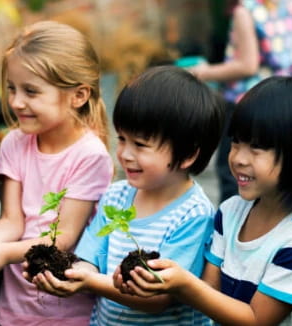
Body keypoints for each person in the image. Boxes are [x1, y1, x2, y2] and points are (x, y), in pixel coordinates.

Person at [119, 76, 292, 326]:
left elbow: (255, 320)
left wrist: (184, 284)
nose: (238, 158)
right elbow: (210, 293)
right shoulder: (231, 212)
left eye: (256, 147)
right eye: (235, 142)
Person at [28, 65, 224, 325]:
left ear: (188, 154)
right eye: (121, 139)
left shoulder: (194, 215)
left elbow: (156, 298)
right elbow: (90, 259)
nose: (125, 154)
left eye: (140, 145)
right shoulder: (116, 196)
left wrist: (91, 283)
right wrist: (71, 275)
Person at [0, 21, 114, 326]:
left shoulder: (90, 156)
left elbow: (62, 240)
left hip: (66, 309)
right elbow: (13, 220)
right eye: (12, 88)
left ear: (78, 95)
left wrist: (3, 255)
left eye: (31, 91)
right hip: (15, 306)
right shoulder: (15, 142)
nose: (16, 102)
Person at [191, 0, 292, 203]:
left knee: (232, 171)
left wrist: (202, 72)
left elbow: (247, 65)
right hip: (278, 99)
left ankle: (232, 228)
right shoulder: (288, 5)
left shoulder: (245, 12)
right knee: (267, 168)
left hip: (245, 103)